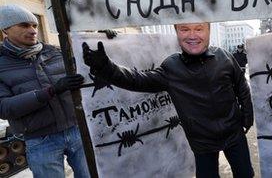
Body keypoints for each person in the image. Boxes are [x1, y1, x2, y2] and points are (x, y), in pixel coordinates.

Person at [82, 22, 254, 178]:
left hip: (234, 133)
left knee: (245, 175)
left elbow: (242, 87)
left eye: (199, 29)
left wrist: (247, 117)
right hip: (202, 142)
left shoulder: (224, 57)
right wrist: (106, 68)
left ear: (208, 31)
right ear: (177, 33)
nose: (192, 35)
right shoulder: (171, 67)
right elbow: (137, 80)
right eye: (185, 29)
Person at [0, 4, 89, 178]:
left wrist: (105, 40)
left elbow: (89, 69)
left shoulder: (55, 52)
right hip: (40, 140)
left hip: (76, 130)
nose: (33, 30)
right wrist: (50, 91)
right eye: (24, 25)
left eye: (35, 25)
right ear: (5, 30)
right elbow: (4, 108)